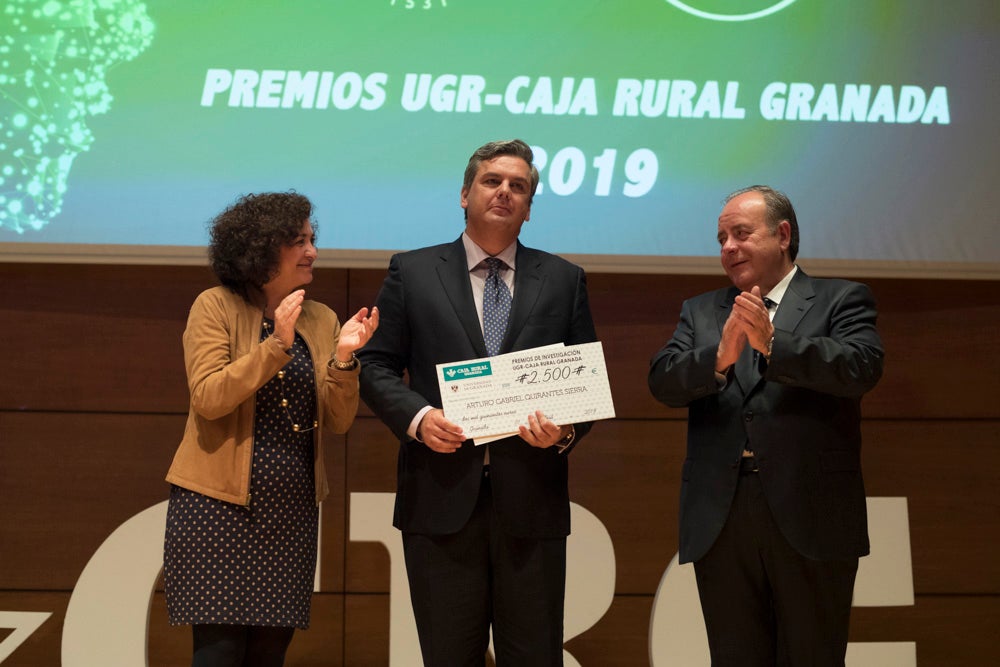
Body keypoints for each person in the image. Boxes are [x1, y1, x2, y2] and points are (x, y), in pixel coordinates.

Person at [357, 139, 597, 666]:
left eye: (519, 186)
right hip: (439, 499)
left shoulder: (563, 279)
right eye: (493, 181)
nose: (505, 192)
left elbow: (585, 387)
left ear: (530, 207)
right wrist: (418, 419)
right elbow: (374, 365)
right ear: (465, 194)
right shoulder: (413, 271)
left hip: (531, 500)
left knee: (534, 658)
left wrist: (565, 432)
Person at [648, 185, 884, 666]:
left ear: (782, 234)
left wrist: (775, 342)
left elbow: (862, 367)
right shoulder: (702, 311)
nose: (728, 248)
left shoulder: (840, 299)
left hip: (810, 514)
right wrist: (718, 356)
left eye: (740, 233)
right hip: (723, 515)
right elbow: (662, 380)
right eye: (720, 239)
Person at [163, 192, 378, 666]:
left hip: (290, 512)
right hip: (215, 509)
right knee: (217, 656)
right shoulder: (214, 306)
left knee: (268, 658)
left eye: (313, 239)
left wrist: (344, 360)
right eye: (298, 241)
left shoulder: (320, 317)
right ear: (261, 248)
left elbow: (339, 421)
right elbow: (210, 397)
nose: (312, 251)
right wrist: (276, 344)